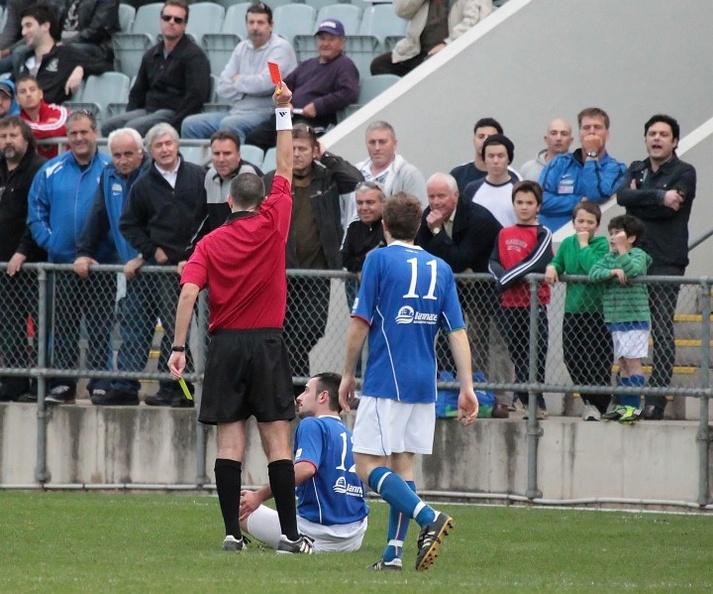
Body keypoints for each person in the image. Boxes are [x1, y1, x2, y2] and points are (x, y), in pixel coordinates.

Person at [168, 81, 314, 554]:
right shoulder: (275, 222)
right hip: (268, 343)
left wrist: (176, 347)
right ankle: (290, 536)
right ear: (262, 198)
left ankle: (233, 532)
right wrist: (283, 112)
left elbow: (189, 292)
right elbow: (287, 166)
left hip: (226, 345)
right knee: (278, 443)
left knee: (230, 445)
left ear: (229, 201)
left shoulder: (209, 243)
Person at [338, 191, 479, 572]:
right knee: (402, 466)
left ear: (384, 224)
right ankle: (393, 554)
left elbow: (360, 322)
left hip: (388, 378)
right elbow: (458, 332)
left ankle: (427, 516)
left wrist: (348, 372)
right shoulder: (441, 267)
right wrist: (466, 386)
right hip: (424, 382)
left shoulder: (378, 260)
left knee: (366, 464)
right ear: (419, 226)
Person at [262, 122, 361, 397]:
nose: (296, 154)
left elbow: (356, 180)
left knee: (312, 328)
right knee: (285, 331)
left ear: (313, 150)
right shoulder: (273, 179)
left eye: (303, 148)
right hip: (282, 273)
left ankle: (290, 385)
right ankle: (294, 390)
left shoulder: (327, 178)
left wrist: (326, 156)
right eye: (292, 148)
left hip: (317, 272)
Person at [27, 110, 114, 403]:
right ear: (67, 136)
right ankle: (63, 384)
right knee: (62, 326)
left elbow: (120, 215)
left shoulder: (111, 168)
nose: (79, 138)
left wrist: (100, 252)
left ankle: (101, 382)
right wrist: (53, 244)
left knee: (101, 326)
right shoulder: (49, 171)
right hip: (61, 265)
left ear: (94, 132)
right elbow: (36, 213)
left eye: (84, 132)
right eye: (73, 133)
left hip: (101, 265)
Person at [119, 122, 207, 408]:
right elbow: (129, 224)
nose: (165, 149)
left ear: (177, 144)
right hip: (166, 272)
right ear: (150, 151)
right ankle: (178, 390)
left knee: (202, 330)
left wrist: (194, 253)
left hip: (201, 264)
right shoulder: (143, 184)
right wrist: (150, 250)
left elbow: (209, 218)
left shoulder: (198, 176)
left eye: (169, 143)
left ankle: (198, 388)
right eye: (159, 145)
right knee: (173, 330)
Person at [616, 115, 696, 421]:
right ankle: (629, 395)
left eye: (664, 134)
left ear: (674, 141)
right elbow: (624, 197)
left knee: (661, 328)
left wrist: (641, 200)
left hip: (665, 261)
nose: (657, 138)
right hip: (635, 260)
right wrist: (660, 196)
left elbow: (670, 212)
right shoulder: (636, 168)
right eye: (652, 133)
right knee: (631, 329)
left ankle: (657, 397)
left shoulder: (684, 172)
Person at [239, 372, 369, 552]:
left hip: (320, 533)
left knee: (239, 507)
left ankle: (301, 543)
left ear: (323, 397)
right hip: (355, 537)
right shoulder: (349, 434)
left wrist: (258, 496)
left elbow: (305, 469)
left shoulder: (312, 424)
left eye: (306, 391)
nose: (299, 398)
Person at [73, 127, 151, 406]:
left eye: (128, 154)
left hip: (157, 264)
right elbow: (98, 216)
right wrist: (84, 251)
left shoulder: (152, 177)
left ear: (142, 153)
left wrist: (146, 254)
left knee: (170, 334)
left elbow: (162, 222)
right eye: (117, 155)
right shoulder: (109, 175)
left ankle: (177, 390)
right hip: (132, 270)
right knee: (131, 327)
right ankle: (125, 387)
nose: (122, 160)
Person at [416, 172, 502, 412]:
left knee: (483, 341)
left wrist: (437, 233)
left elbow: (460, 257)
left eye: (441, 196)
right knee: (445, 340)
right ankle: (447, 390)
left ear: (455, 196)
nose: (435, 202)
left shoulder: (478, 218)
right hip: (453, 288)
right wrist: (453, 260)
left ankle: (493, 397)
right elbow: (422, 254)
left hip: (486, 291)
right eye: (431, 196)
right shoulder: (429, 216)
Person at [180, 1, 297, 142]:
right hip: (235, 112)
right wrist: (251, 82)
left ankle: (239, 162)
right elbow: (222, 86)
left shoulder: (279, 49)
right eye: (251, 22)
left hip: (266, 112)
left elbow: (268, 83)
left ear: (271, 25)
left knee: (230, 125)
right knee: (190, 125)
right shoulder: (241, 48)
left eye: (260, 23)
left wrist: (238, 79)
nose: (255, 27)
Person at [488, 180, 553, 420]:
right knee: (516, 353)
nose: (524, 207)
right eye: (519, 202)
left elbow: (535, 263)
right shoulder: (504, 233)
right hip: (509, 304)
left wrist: (506, 279)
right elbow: (493, 262)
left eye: (529, 203)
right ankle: (526, 401)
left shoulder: (542, 233)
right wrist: (504, 279)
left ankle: (536, 402)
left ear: (538, 206)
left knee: (534, 354)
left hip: (533, 305)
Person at [245, 18, 359, 151]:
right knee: (254, 138)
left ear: (342, 43)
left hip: (315, 121)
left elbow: (349, 93)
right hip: (289, 115)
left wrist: (318, 106)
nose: (325, 43)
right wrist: (285, 103)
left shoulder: (345, 65)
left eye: (331, 39)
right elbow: (283, 85)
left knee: (294, 143)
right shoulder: (308, 64)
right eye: (322, 39)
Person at [101, 0, 211, 136]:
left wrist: (175, 124)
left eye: (177, 20)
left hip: (173, 113)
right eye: (167, 18)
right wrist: (132, 114)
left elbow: (196, 96)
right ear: (161, 20)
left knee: (131, 129)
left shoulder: (194, 56)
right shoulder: (151, 54)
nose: (171, 22)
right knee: (109, 127)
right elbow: (138, 92)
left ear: (185, 25)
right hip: (148, 110)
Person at [544, 202, 611, 420]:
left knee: (596, 359)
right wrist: (552, 267)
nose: (585, 225)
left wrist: (584, 245)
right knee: (572, 357)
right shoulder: (567, 243)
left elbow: (594, 268)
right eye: (580, 221)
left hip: (597, 312)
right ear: (573, 223)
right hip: (573, 310)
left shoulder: (601, 244)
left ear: (597, 225)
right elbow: (558, 262)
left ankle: (598, 404)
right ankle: (590, 401)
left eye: (590, 222)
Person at [589, 214, 652, 424]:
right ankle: (624, 404)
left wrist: (623, 252)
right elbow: (594, 273)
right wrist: (612, 271)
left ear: (631, 238)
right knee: (623, 362)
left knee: (633, 361)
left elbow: (634, 270)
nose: (613, 238)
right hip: (615, 319)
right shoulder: (609, 258)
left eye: (618, 233)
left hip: (634, 317)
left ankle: (634, 406)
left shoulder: (638, 254)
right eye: (611, 233)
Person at [0, 115, 46, 401]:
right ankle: (15, 383)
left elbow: (37, 216)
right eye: (4, 136)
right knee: (9, 326)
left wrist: (23, 250)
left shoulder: (39, 170)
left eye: (14, 136)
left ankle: (41, 384)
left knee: (42, 326)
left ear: (26, 139)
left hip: (33, 264)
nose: (8, 141)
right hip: (3, 267)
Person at [538, 107, 627, 232]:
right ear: (580, 135)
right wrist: (580, 201)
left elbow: (596, 195)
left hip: (590, 244)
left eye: (597, 127)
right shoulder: (560, 163)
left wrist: (592, 154)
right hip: (553, 240)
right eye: (586, 128)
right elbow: (539, 200)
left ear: (607, 135)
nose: (591, 132)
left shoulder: (616, 169)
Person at [14, 3, 108, 105]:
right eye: (22, 27)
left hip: (52, 116)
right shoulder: (24, 58)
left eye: (28, 25)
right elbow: (12, 83)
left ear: (45, 26)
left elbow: (106, 66)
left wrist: (82, 69)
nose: (23, 32)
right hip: (21, 116)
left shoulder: (66, 54)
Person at [370, 0, 493, 77]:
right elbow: (401, 11)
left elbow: (475, 23)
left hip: (449, 53)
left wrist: (447, 44)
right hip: (416, 50)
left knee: (428, 66)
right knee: (378, 65)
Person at [347, 120, 427, 221]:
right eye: (372, 142)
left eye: (382, 142)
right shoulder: (355, 171)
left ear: (394, 144)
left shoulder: (409, 174)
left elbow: (418, 216)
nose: (377, 148)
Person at [196, 130, 263, 237]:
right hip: (218, 246)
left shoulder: (249, 174)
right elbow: (201, 221)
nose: (221, 159)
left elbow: (258, 222)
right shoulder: (209, 175)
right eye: (216, 154)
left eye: (227, 153)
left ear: (238, 155)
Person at [449, 117, 519, 194]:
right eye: (481, 136)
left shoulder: (514, 177)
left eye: (491, 137)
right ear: (474, 140)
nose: (485, 140)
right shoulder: (458, 174)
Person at [465, 134, 519, 228]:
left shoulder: (519, 189)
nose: (495, 161)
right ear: (484, 159)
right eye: (491, 156)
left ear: (509, 159)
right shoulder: (472, 190)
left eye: (500, 156)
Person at [53, 0, 119, 69]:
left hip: (97, 48)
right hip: (66, 42)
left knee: (66, 50)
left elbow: (97, 31)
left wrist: (65, 42)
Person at [15, 74, 68, 159]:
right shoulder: (17, 120)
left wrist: (25, 131)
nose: (28, 94)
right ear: (17, 99)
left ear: (40, 94)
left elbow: (58, 129)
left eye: (32, 90)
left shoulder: (59, 111)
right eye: (22, 91)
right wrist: (47, 126)